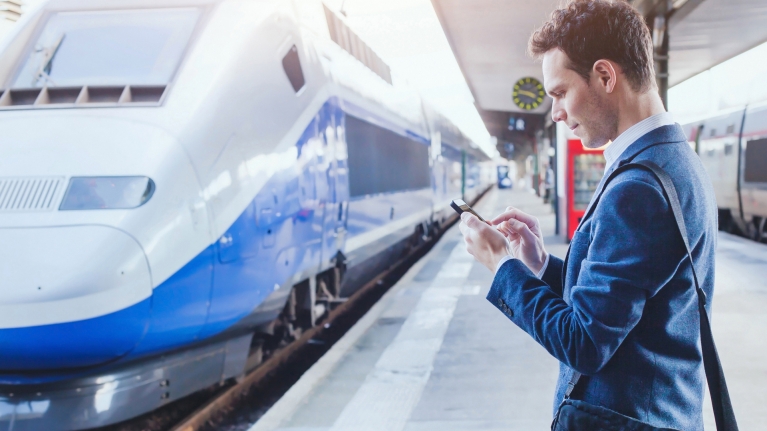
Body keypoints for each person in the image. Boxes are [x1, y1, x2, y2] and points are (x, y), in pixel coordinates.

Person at [458, 1, 718, 429]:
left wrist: (501, 265)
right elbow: (622, 306)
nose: (556, 111)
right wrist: (539, 265)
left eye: (560, 92)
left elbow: (584, 343)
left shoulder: (638, 187)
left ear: (604, 75)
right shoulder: (669, 159)